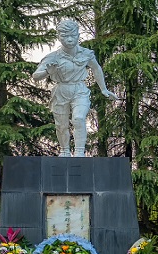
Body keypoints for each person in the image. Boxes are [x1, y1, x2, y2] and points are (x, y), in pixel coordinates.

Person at [33, 20, 118, 157]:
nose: (69, 39)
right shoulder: (53, 57)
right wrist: (48, 71)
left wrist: (104, 89)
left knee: (78, 118)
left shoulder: (86, 54)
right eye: (65, 36)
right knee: (61, 125)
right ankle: (64, 150)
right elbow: (36, 76)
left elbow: (96, 68)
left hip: (79, 90)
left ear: (78, 35)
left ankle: (79, 151)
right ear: (59, 37)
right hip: (61, 91)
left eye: (73, 35)